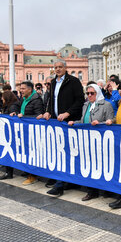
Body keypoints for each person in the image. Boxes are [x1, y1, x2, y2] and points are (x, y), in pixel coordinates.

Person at [38, 60, 84, 193]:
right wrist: (48, 111)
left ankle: (62, 183)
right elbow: (51, 101)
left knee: (69, 153)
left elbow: (79, 100)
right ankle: (60, 182)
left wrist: (68, 113)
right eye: (56, 67)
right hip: (56, 122)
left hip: (69, 122)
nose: (57, 69)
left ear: (65, 68)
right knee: (59, 152)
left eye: (60, 67)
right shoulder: (53, 83)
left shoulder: (73, 81)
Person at [65, 84, 114, 200]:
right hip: (87, 140)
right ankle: (92, 191)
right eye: (88, 93)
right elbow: (83, 120)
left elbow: (111, 122)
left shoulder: (106, 105)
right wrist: (74, 122)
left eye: (92, 93)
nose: (90, 95)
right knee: (89, 165)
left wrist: (100, 123)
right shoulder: (86, 105)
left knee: (102, 165)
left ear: (98, 93)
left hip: (100, 141)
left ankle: (107, 189)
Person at [10, 81, 45, 185]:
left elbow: (38, 116)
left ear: (30, 89)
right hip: (25, 131)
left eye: (23, 89)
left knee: (32, 154)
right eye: (21, 89)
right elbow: (19, 108)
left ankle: (32, 176)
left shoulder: (36, 100)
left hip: (33, 132)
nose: (21, 91)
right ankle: (29, 172)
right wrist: (15, 113)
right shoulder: (24, 99)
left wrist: (23, 117)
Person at [0, 91, 20, 180]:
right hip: (9, 132)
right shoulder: (9, 105)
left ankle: (9, 173)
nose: (2, 99)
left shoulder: (12, 106)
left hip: (10, 133)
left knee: (9, 153)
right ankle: (8, 172)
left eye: (3, 97)